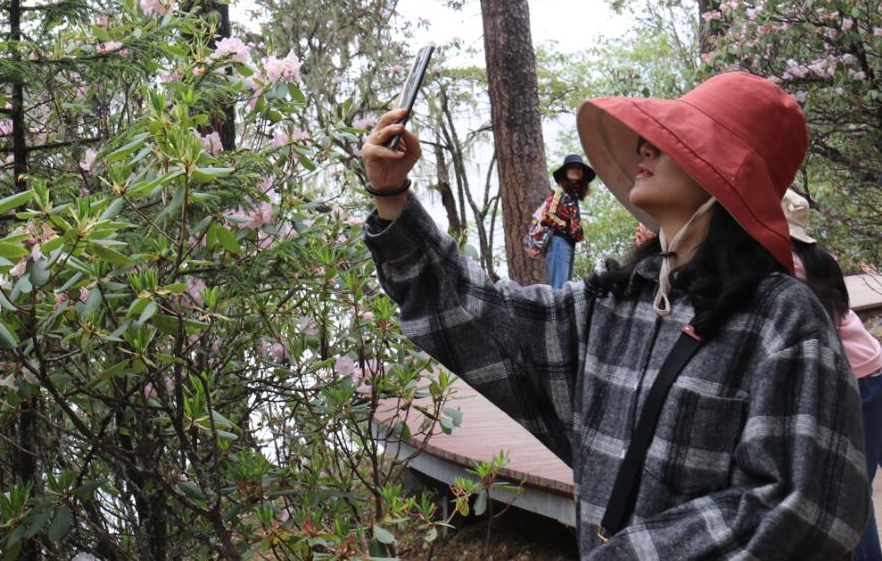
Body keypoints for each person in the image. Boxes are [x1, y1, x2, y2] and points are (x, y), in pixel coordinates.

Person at [359, 71, 868, 558]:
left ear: (726, 173)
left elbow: (808, 505)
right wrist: (391, 196)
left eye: (675, 139)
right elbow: (482, 316)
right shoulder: (615, 307)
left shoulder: (784, 320)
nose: (644, 146)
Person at [783, 190, 882, 561]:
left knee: (850, 490)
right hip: (870, 367)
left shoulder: (789, 264)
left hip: (854, 380)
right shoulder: (818, 257)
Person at [538, 154, 595, 289]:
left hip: (568, 242)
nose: (576, 170)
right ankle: (555, 310)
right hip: (558, 241)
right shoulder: (559, 191)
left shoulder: (572, 195)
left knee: (564, 285)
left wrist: (577, 231)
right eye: (572, 167)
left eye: (579, 168)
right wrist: (568, 226)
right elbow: (548, 215)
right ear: (565, 172)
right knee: (559, 286)